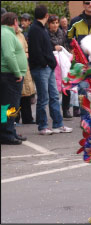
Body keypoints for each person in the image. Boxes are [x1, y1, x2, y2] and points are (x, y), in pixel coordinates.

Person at [28, 5, 73, 135]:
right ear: (46, 16)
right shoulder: (36, 29)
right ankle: (42, 126)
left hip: (47, 67)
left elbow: (45, 48)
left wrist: (50, 64)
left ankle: (58, 124)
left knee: (53, 96)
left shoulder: (40, 29)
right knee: (43, 98)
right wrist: (46, 63)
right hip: (42, 68)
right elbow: (36, 51)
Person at [1, 12, 28, 145]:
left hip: (8, 75)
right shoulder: (6, 33)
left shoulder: (5, 33)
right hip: (10, 76)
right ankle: (7, 134)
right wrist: (17, 72)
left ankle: (9, 131)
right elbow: (8, 55)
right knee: (11, 106)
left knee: (6, 106)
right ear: (15, 21)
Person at [47, 14, 72, 119]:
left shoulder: (62, 32)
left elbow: (65, 44)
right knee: (54, 88)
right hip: (52, 62)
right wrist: (53, 47)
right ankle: (55, 111)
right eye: (53, 23)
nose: (55, 25)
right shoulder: (46, 34)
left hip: (63, 61)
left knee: (67, 85)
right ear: (49, 24)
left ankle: (66, 109)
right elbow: (45, 46)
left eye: (57, 23)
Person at [15, 23, 36, 125]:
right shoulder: (6, 35)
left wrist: (26, 54)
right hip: (12, 69)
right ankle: (10, 121)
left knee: (26, 94)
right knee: (11, 99)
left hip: (24, 67)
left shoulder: (20, 34)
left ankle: (27, 118)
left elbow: (26, 47)